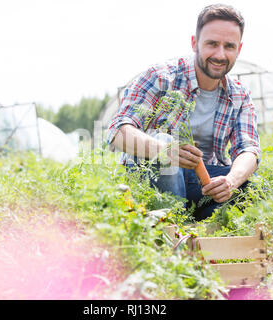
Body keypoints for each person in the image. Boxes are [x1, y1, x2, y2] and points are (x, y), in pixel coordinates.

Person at [106, 4, 261, 220]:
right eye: (212, 44)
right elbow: (117, 132)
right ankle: (171, 227)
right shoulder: (161, 77)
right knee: (162, 142)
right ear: (194, 43)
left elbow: (249, 149)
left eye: (229, 46)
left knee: (253, 186)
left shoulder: (239, 96)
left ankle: (202, 233)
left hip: (202, 184)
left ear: (239, 49)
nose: (220, 54)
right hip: (152, 179)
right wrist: (166, 151)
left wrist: (231, 181)